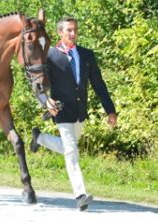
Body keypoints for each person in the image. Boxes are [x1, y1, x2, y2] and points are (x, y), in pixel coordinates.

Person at [30, 16, 117, 211]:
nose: (73, 33)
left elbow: (98, 84)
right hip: (61, 110)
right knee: (71, 151)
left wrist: (110, 110)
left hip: (80, 112)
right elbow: (39, 84)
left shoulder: (87, 55)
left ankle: (40, 138)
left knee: (68, 147)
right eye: (69, 30)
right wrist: (45, 101)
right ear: (60, 33)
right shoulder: (50, 56)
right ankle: (80, 194)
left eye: (75, 29)